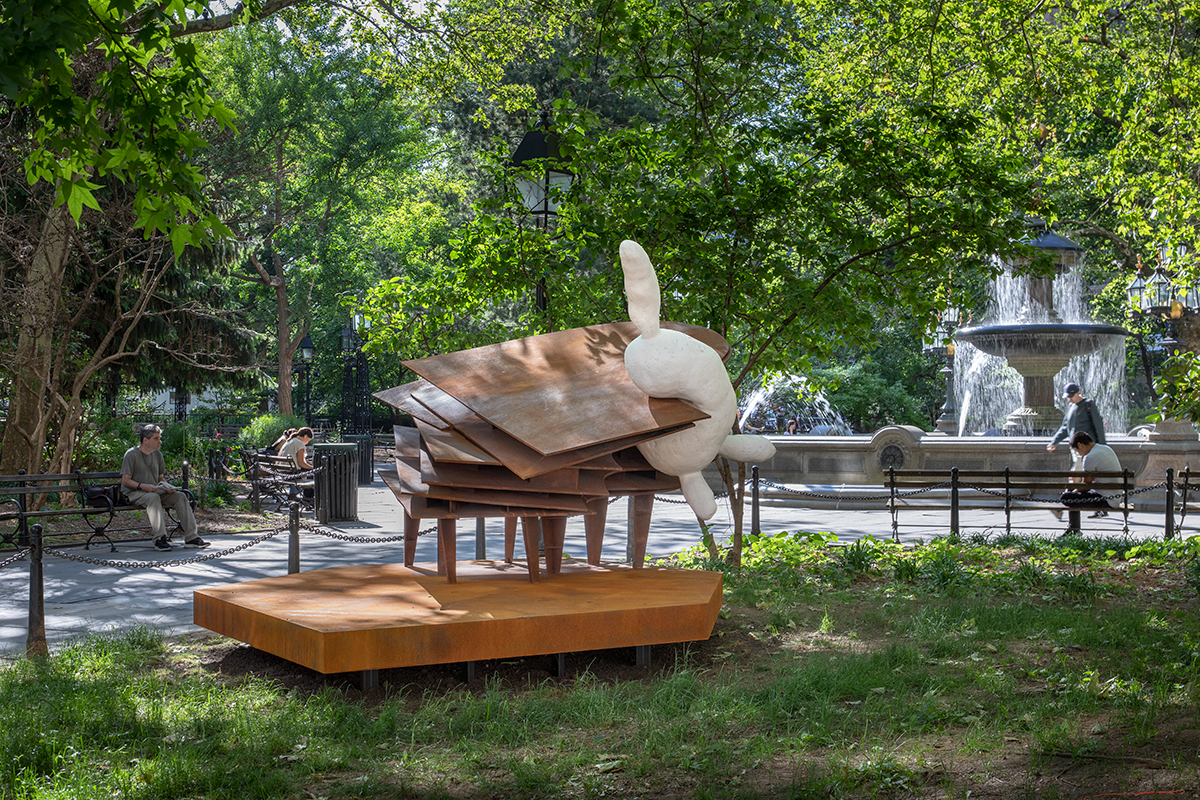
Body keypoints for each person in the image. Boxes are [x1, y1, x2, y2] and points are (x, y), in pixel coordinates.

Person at [120, 424, 208, 552]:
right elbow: (125, 481)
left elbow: (160, 479)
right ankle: (160, 539)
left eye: (159, 438)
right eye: (156, 438)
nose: (159, 441)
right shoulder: (131, 454)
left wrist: (167, 487)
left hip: (155, 491)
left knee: (180, 496)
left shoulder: (158, 455)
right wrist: (143, 486)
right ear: (145, 440)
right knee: (153, 498)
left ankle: (191, 538)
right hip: (134, 493)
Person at [1059, 431, 1122, 521]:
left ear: (1080, 445)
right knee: (1071, 493)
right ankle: (1073, 529)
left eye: (1077, 451)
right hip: (1115, 497)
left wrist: (1073, 492)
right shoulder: (1105, 448)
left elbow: (1086, 485)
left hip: (1105, 500)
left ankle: (1073, 529)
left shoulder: (1090, 457)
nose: (1079, 454)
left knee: (1067, 497)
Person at [1046, 382, 1106, 471]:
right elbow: (1065, 427)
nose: (1069, 399)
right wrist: (1054, 442)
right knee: (1082, 472)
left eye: (1071, 396)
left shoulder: (1088, 405)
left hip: (1086, 447)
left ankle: (1074, 484)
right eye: (1068, 396)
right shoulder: (1071, 407)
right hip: (1075, 447)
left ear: (1079, 393)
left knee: (1076, 473)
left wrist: (1102, 446)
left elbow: (1098, 426)